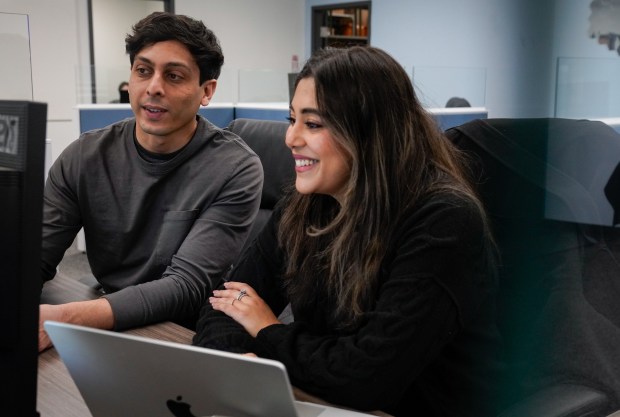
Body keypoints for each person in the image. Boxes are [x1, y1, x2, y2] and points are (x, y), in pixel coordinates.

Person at [192, 46, 504, 417]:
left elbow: (366, 377)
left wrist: (267, 331)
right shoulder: (304, 204)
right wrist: (241, 362)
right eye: (292, 119)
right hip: (325, 401)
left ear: (370, 133)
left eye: (313, 124)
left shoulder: (443, 220)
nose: (290, 138)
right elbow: (221, 306)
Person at [39, 12, 263, 352]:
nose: (154, 87)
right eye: (143, 71)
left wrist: (66, 318)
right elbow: (35, 257)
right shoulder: (84, 156)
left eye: (173, 76)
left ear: (207, 90)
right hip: (108, 316)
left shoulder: (235, 168)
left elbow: (185, 286)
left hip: (184, 331)